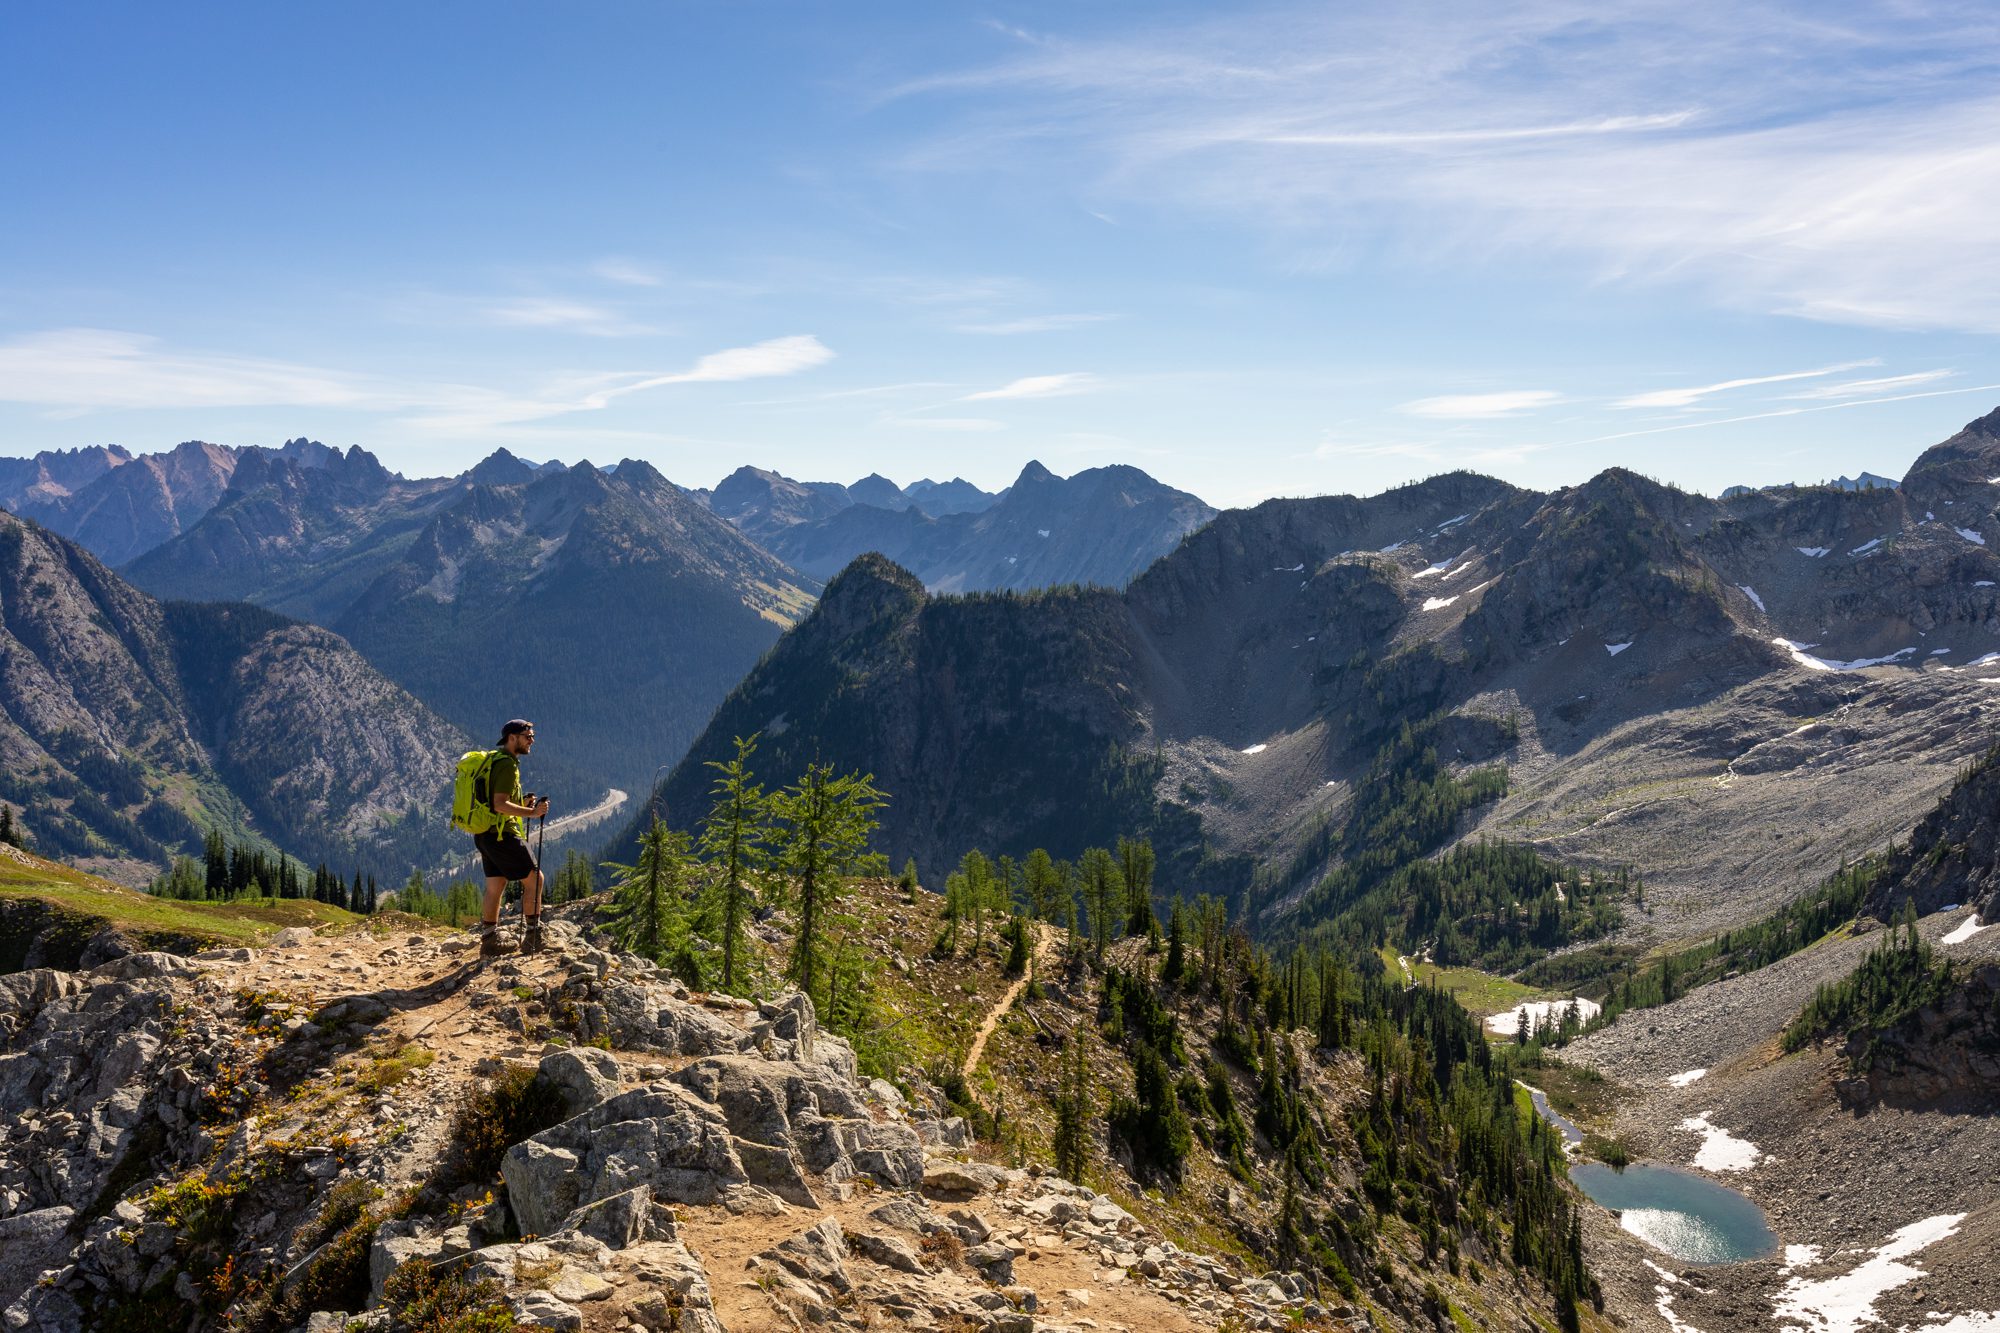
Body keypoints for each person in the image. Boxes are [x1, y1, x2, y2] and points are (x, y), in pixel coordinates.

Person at [476, 719, 550, 957]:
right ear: (512, 738)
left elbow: (494, 801)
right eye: (527, 736)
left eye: (532, 736)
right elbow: (499, 804)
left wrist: (520, 804)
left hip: (485, 834)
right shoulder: (507, 764)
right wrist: (532, 812)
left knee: (495, 886)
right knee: (535, 880)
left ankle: (489, 942)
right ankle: (533, 939)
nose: (532, 740)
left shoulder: (494, 760)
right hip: (502, 834)